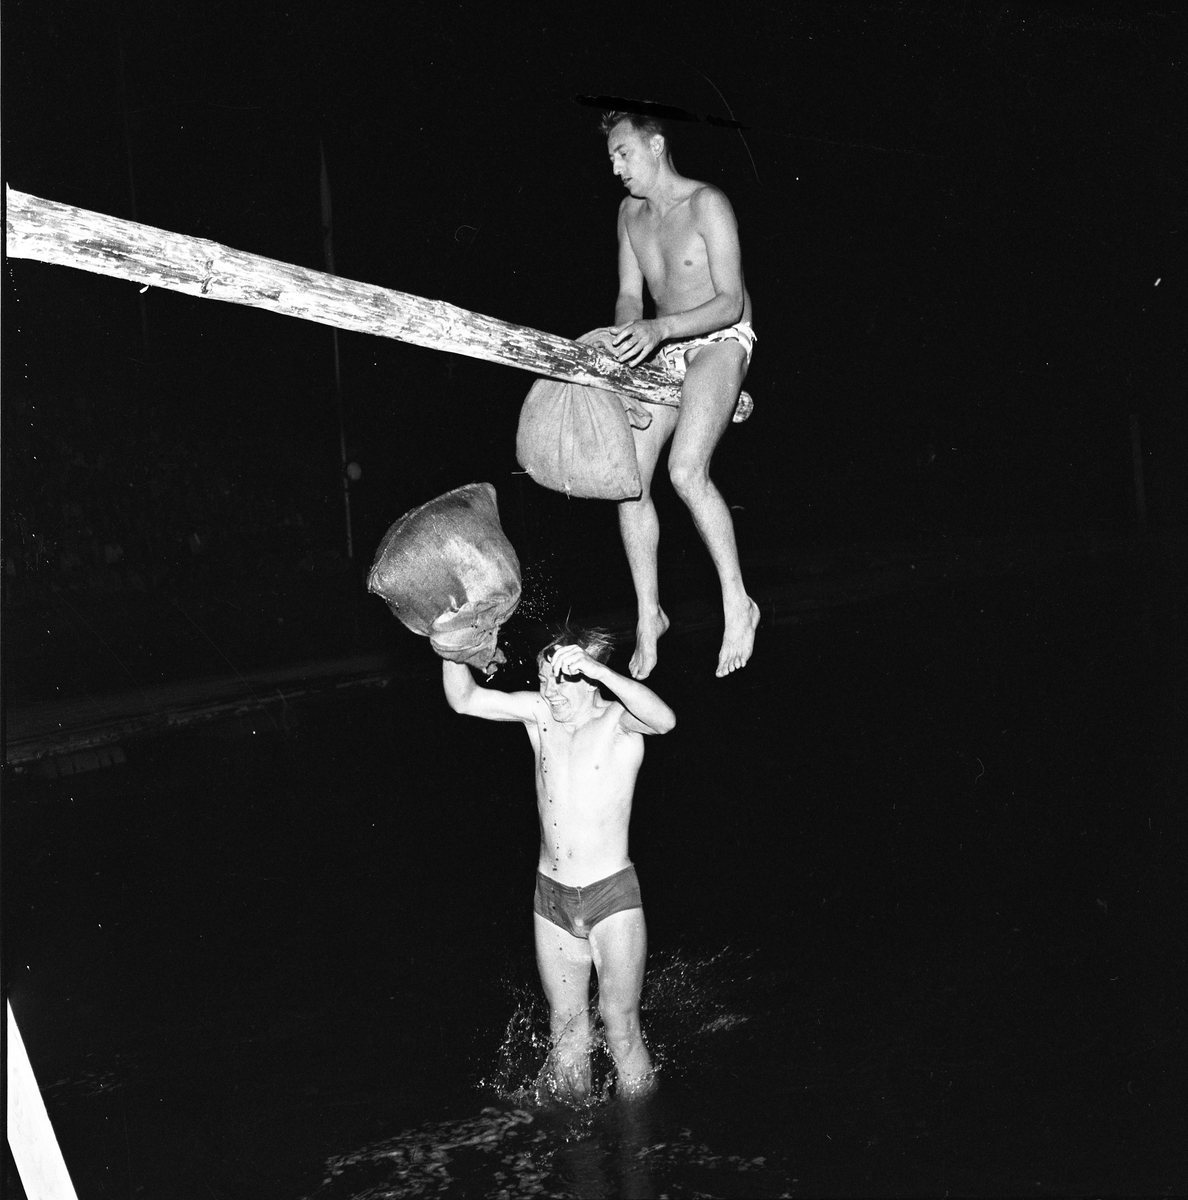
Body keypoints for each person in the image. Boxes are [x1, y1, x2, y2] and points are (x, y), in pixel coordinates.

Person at [442, 627, 676, 1100]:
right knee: (566, 1031)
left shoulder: (619, 721)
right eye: (543, 678)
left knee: (620, 1028)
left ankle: (639, 1135)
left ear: (591, 680)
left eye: (561, 680)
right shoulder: (539, 715)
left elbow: (665, 720)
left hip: (612, 897)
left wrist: (598, 670)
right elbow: (464, 700)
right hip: (550, 898)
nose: (548, 691)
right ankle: (575, 1141)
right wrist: (448, 642)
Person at [581, 110, 761, 681]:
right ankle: (648, 614)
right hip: (663, 348)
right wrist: (624, 352)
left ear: (656, 145)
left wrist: (659, 330)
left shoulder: (708, 204)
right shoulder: (628, 214)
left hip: (719, 339)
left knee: (685, 471)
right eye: (611, 157)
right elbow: (629, 298)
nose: (616, 167)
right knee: (627, 479)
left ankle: (738, 601)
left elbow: (730, 301)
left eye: (624, 153)